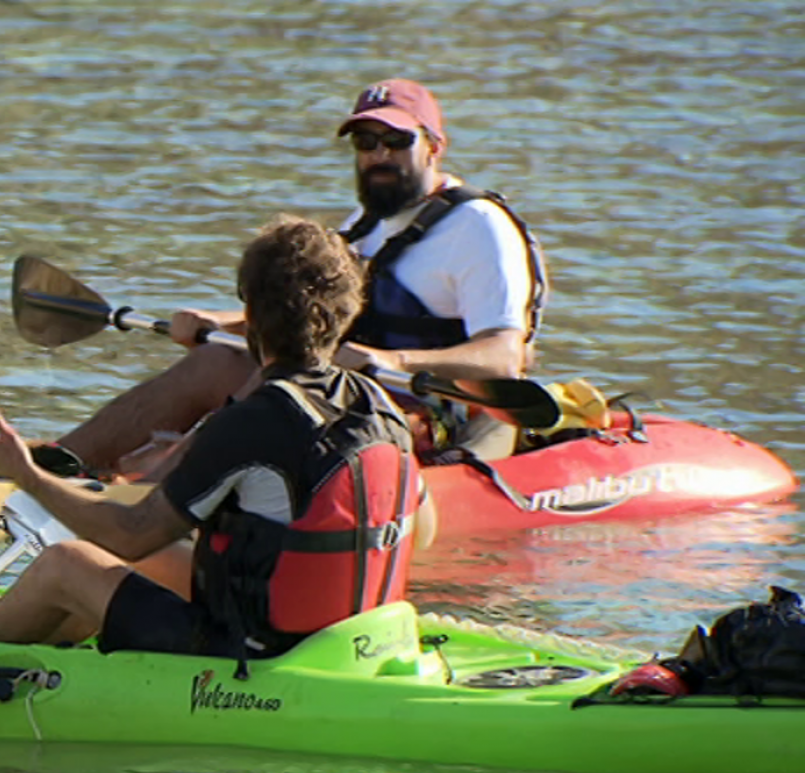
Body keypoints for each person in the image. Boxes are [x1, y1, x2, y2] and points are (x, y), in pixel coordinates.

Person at [0, 217, 433, 666]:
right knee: (154, 560)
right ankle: (43, 648)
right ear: (347, 314)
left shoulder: (255, 421)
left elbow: (130, 532)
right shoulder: (378, 405)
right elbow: (424, 528)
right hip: (350, 639)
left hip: (249, 656)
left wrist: (27, 474)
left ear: (249, 314)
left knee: (67, 561)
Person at [56, 78, 546, 475]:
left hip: (430, 411)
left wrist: (391, 358)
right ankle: (58, 463)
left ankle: (154, 491)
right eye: (366, 141)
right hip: (343, 388)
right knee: (213, 363)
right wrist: (219, 323)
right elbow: (312, 317)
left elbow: (503, 357)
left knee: (278, 389)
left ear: (436, 146)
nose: (379, 155)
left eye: (397, 141)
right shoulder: (367, 219)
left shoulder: (480, 228)